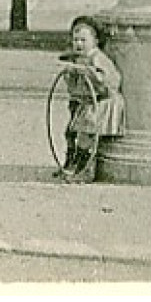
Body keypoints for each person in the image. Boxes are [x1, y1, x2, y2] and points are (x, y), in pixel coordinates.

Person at [58, 15, 125, 182]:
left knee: (86, 136)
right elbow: (75, 87)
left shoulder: (97, 58)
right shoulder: (79, 59)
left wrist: (88, 72)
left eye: (83, 40)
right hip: (88, 102)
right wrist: (71, 74)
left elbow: (110, 80)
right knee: (76, 134)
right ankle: (74, 166)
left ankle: (86, 172)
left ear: (95, 41)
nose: (78, 44)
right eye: (75, 40)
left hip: (103, 101)